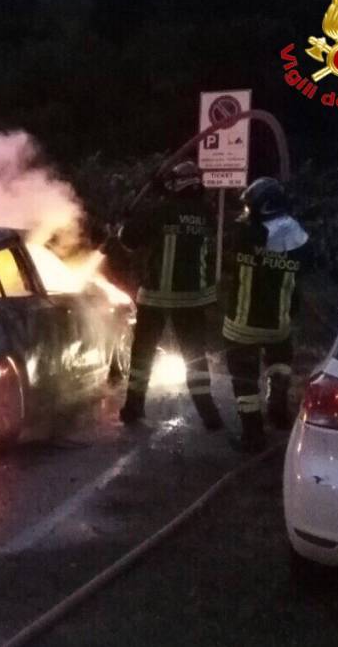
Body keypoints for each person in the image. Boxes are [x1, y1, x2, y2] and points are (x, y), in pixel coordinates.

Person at [117, 161, 223, 429]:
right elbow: (184, 214)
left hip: (155, 296)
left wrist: (130, 216)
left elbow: (128, 239)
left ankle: (133, 407)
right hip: (192, 298)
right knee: (194, 356)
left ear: (176, 184)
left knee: (142, 355)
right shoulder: (207, 213)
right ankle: (209, 414)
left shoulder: (160, 211)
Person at [222, 177, 309, 452]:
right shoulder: (298, 239)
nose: (247, 212)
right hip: (279, 322)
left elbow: (231, 248)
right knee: (279, 367)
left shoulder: (244, 235)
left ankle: (252, 434)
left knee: (244, 380)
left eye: (251, 207)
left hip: (243, 323)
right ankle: (279, 414)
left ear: (264, 207)